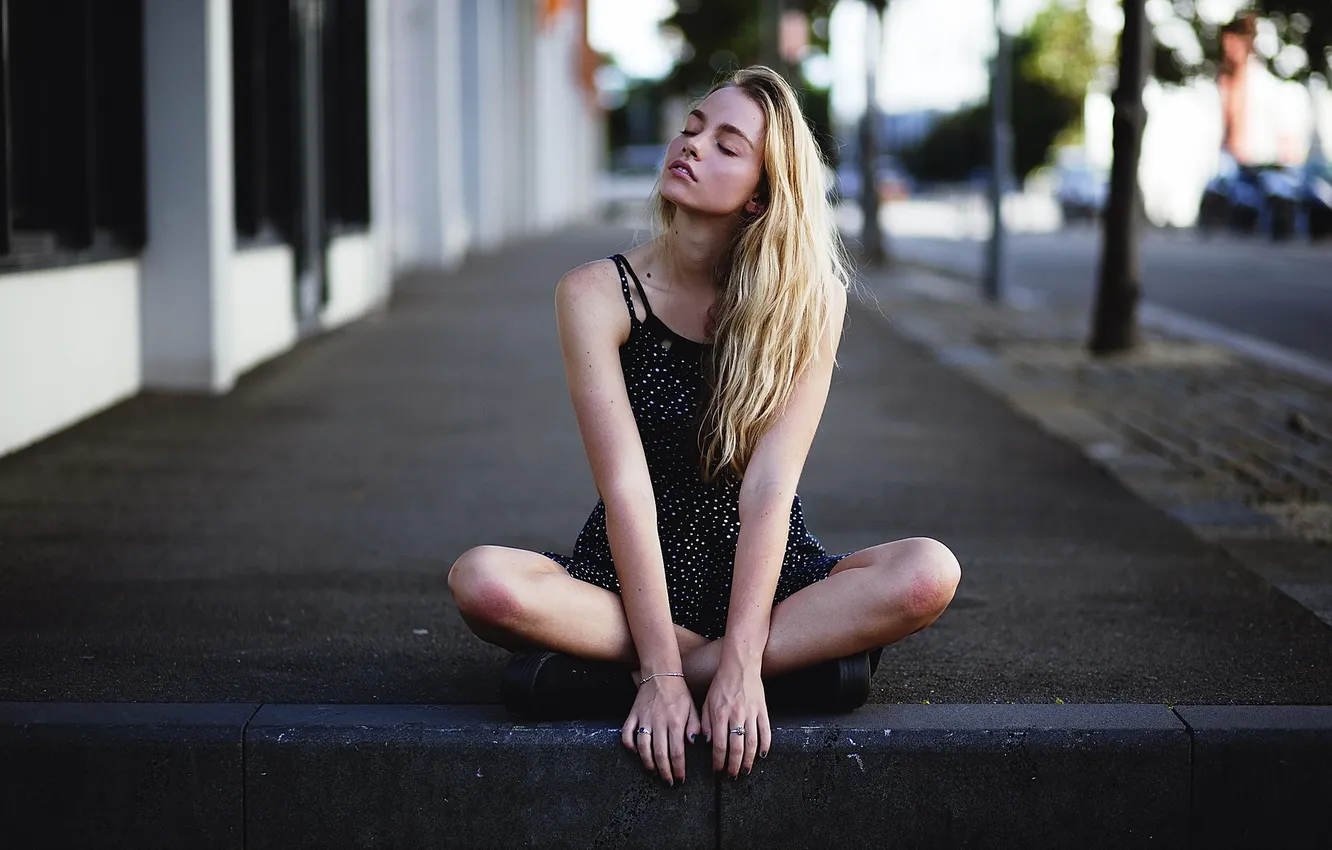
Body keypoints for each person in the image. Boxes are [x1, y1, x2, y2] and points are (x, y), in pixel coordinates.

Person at [448, 66, 961, 787]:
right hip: (628, 579)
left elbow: (771, 487)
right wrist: (660, 665)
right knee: (484, 584)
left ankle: (608, 676)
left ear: (760, 193)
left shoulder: (811, 300)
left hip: (765, 579)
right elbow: (626, 487)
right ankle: (795, 668)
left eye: (726, 144)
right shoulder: (596, 293)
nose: (691, 145)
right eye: (692, 128)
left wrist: (740, 656)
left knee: (928, 573)